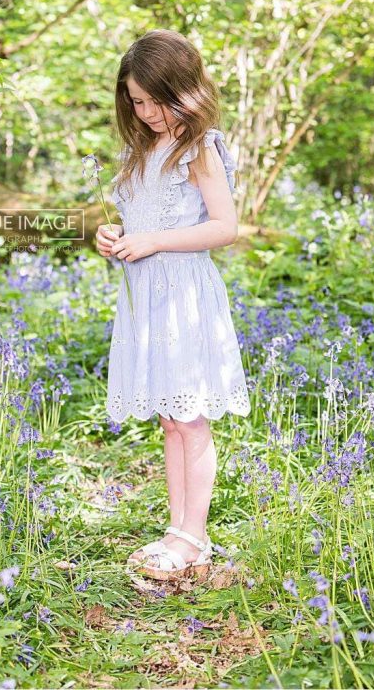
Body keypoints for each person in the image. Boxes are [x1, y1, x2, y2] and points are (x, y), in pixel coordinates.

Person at [95, 29, 251, 581]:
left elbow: (225, 227)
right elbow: (142, 220)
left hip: (184, 293)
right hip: (145, 297)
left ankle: (195, 538)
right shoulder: (140, 149)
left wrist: (155, 241)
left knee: (191, 419)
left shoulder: (201, 146)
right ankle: (176, 530)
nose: (147, 111)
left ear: (185, 90)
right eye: (137, 101)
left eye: (158, 100)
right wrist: (115, 236)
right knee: (169, 418)